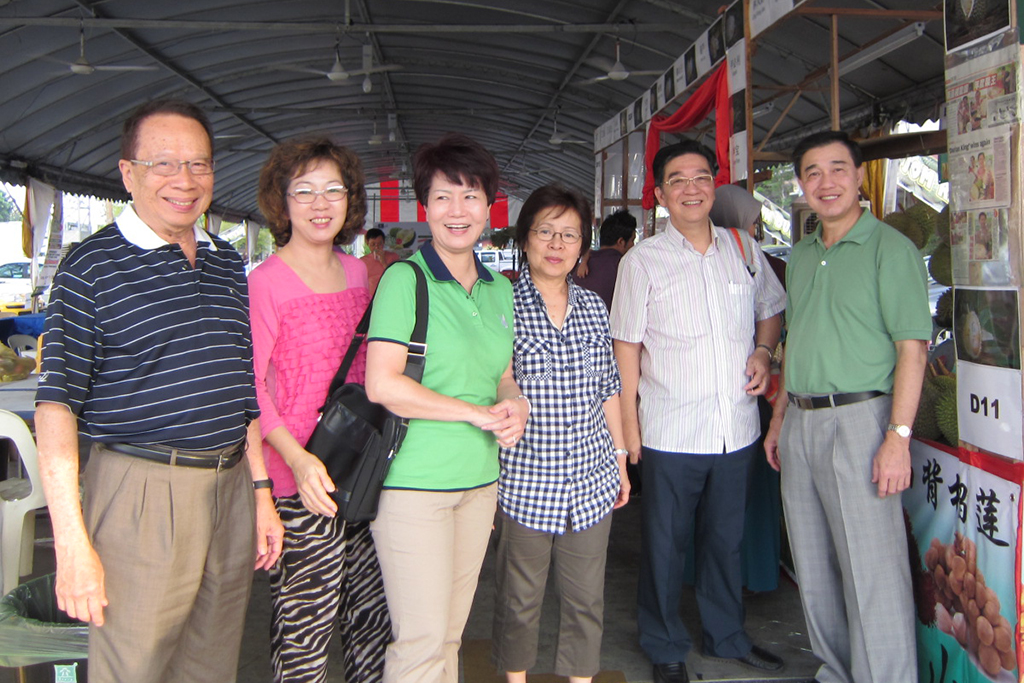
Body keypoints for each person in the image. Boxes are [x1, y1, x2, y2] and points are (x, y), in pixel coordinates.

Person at [35, 99, 283, 683]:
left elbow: (239, 388)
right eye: (163, 164)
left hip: (228, 489)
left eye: (199, 164)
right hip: (141, 492)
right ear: (128, 173)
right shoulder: (90, 268)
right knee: (135, 665)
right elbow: (55, 406)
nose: (184, 180)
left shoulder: (226, 261)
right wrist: (70, 544)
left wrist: (260, 493)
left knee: (211, 663)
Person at [610, 140, 786, 683]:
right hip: (671, 431)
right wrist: (630, 431)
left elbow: (771, 309)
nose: (692, 188)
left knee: (725, 540)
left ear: (715, 184)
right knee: (665, 546)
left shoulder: (744, 248)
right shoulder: (642, 262)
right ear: (661, 195)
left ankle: (725, 635)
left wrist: (763, 351)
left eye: (702, 177)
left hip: (736, 426)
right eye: (678, 180)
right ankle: (664, 645)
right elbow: (626, 349)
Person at [764, 130, 930, 683]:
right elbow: (796, 340)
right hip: (801, 420)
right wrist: (780, 417)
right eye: (812, 172)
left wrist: (898, 437)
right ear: (801, 185)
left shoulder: (890, 250)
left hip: (863, 420)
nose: (826, 182)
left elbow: (913, 350)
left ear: (860, 176)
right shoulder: (803, 253)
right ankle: (836, 672)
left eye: (838, 168)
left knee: (871, 567)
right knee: (814, 565)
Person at [364, 133, 530, 683]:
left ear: (489, 206)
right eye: (443, 197)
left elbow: (501, 376)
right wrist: (474, 414)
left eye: (470, 196)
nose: (457, 211)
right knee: (421, 641)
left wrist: (514, 404)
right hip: (416, 486)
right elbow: (382, 384)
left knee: (451, 635)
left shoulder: (499, 288)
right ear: (425, 207)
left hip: (480, 483)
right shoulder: (404, 279)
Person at [250, 137, 391, 682]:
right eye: (304, 191)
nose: (320, 203)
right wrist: (297, 459)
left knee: (371, 624)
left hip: (361, 472)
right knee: (304, 631)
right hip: (300, 480)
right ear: (282, 201)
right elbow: (252, 391)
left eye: (334, 190)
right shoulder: (265, 283)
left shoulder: (358, 274)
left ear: (350, 201)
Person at [492, 184, 630, 683]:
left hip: (591, 479)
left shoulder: (593, 306)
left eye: (569, 235)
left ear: (582, 246)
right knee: (518, 599)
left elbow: (609, 389)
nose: (556, 244)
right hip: (524, 482)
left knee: (586, 600)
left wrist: (620, 460)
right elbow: (493, 383)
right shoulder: (501, 304)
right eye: (545, 232)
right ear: (525, 239)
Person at [708, 183, 783, 594]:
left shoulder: (754, 257)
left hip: (747, 393)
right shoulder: (752, 255)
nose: (755, 230)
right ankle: (751, 576)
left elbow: (772, 312)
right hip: (750, 395)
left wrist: (763, 351)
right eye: (753, 221)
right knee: (743, 497)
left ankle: (726, 579)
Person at [572, 209, 636, 310]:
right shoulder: (624, 266)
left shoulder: (580, 267)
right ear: (621, 242)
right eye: (632, 240)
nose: (634, 245)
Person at [361, 227, 401, 296]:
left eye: (380, 244)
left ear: (384, 242)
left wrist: (383, 262)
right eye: (373, 244)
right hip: (371, 297)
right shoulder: (363, 261)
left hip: (390, 294)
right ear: (367, 243)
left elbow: (397, 276)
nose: (376, 247)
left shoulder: (393, 257)